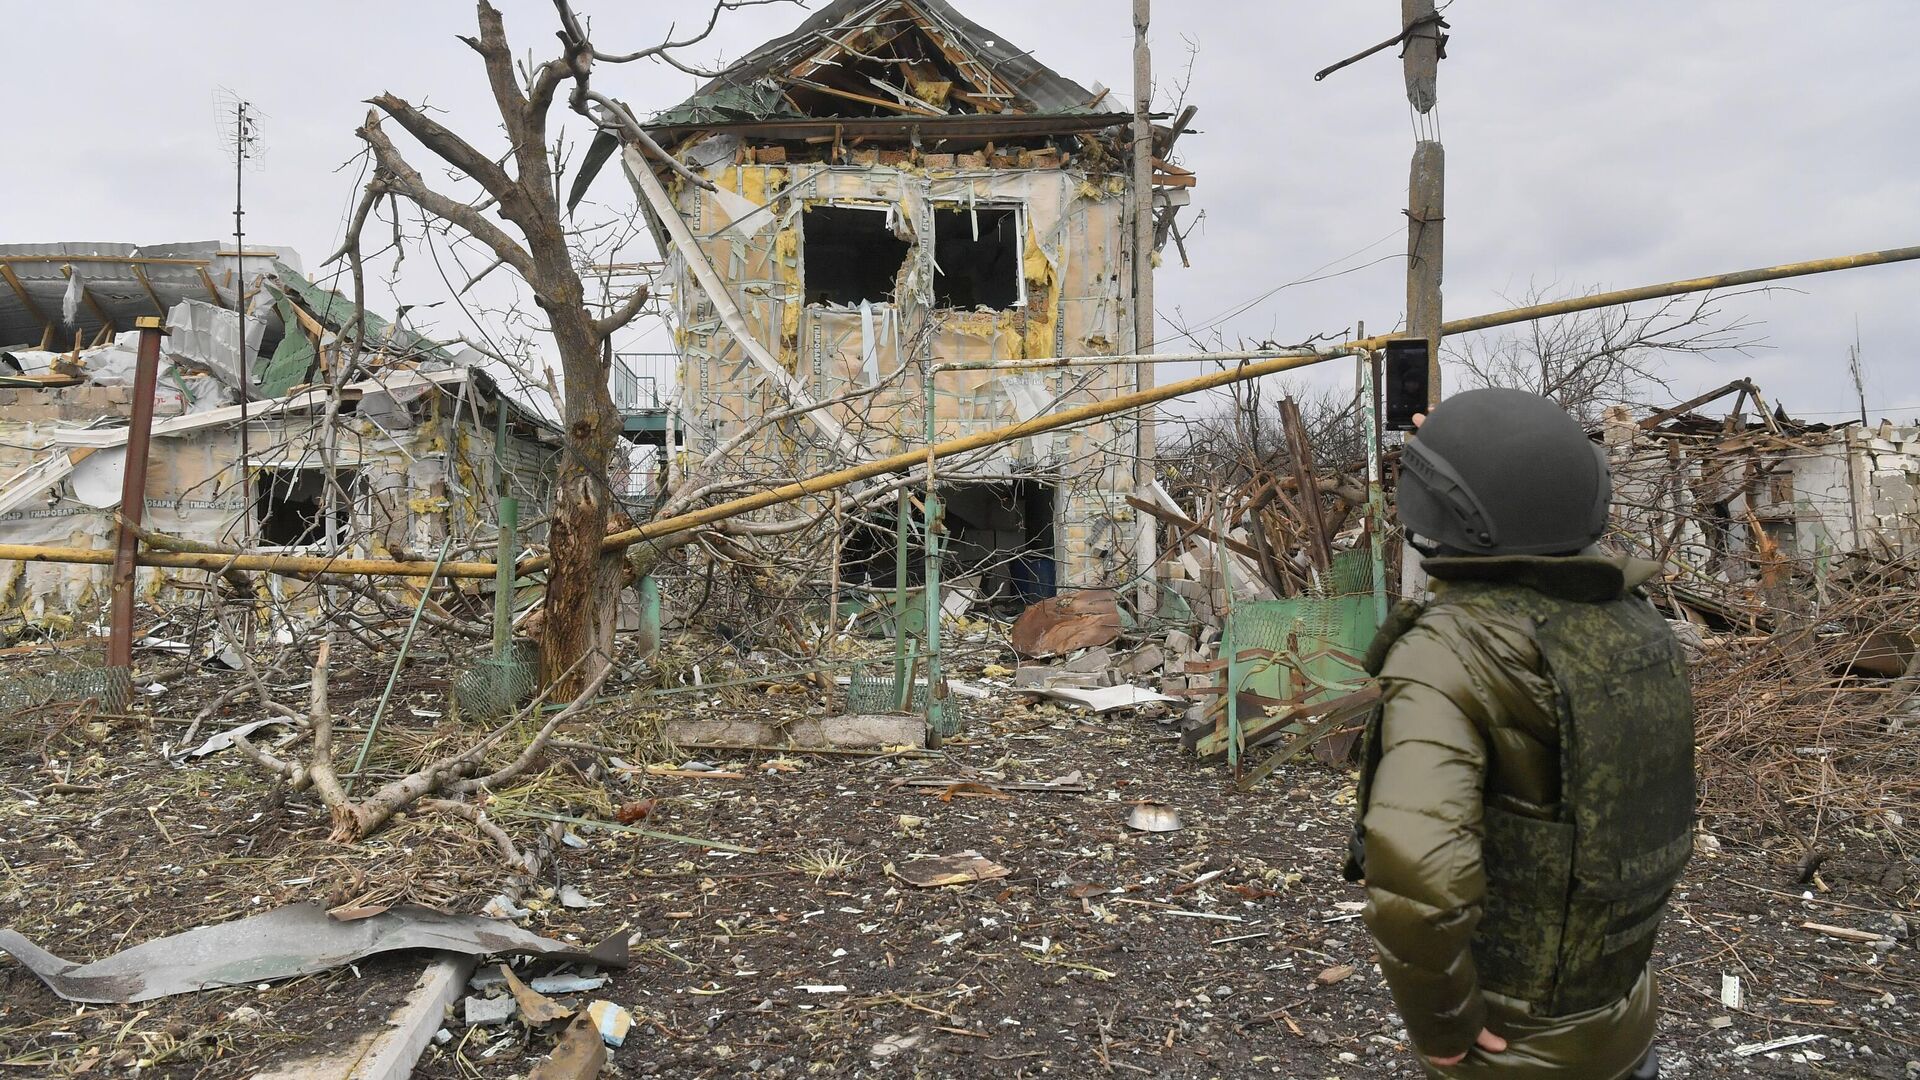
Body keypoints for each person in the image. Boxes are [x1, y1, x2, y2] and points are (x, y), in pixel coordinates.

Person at [1344, 388, 1694, 1079]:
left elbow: (1419, 882)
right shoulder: (1635, 624)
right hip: (1621, 1012)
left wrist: (1443, 1025)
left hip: (1514, 1044)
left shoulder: (1449, 652)